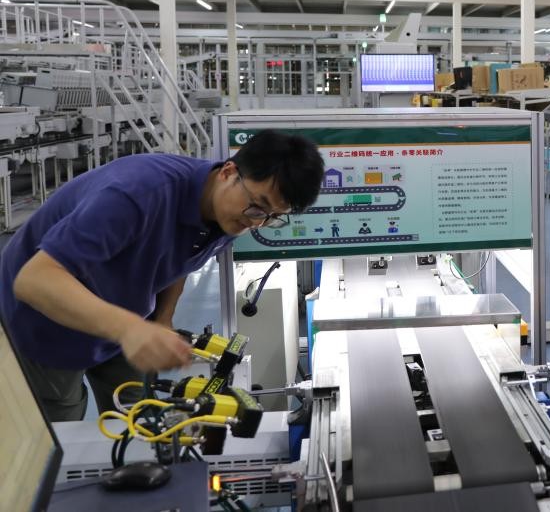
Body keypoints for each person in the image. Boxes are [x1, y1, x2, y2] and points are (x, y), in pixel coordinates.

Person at [0, 130, 325, 421]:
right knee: (61, 428)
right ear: (228, 172)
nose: (256, 222)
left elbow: (180, 259)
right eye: (257, 206)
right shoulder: (137, 195)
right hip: (45, 316)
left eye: (271, 217)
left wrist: (162, 320)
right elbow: (35, 279)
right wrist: (129, 329)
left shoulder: (228, 212)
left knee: (139, 417)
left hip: (119, 320)